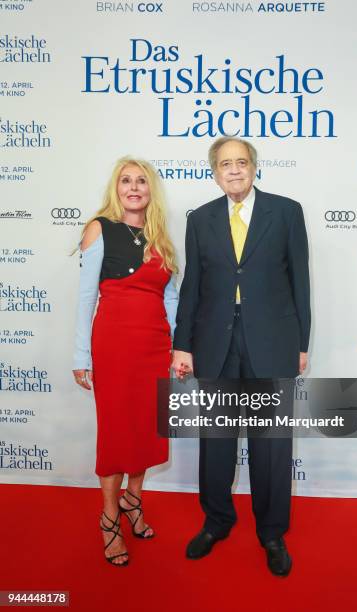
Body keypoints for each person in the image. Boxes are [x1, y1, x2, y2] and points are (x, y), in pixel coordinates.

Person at [172, 136, 310, 576]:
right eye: (226, 164)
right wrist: (183, 343)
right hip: (214, 342)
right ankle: (216, 521)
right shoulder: (201, 219)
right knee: (216, 442)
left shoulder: (287, 212)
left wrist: (302, 344)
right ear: (214, 172)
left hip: (272, 341)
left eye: (242, 162)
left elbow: (300, 283)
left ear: (254, 168)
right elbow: (192, 285)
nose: (234, 170)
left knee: (270, 446)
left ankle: (271, 532)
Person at [73, 157, 178, 567]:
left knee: (146, 429)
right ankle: (109, 518)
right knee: (117, 433)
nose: (133, 187)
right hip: (114, 346)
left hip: (154, 347)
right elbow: (85, 299)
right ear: (115, 188)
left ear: (151, 190)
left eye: (141, 181)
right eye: (125, 181)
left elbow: (170, 298)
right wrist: (82, 355)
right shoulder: (99, 229)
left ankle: (134, 500)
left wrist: (175, 348)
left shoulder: (160, 238)